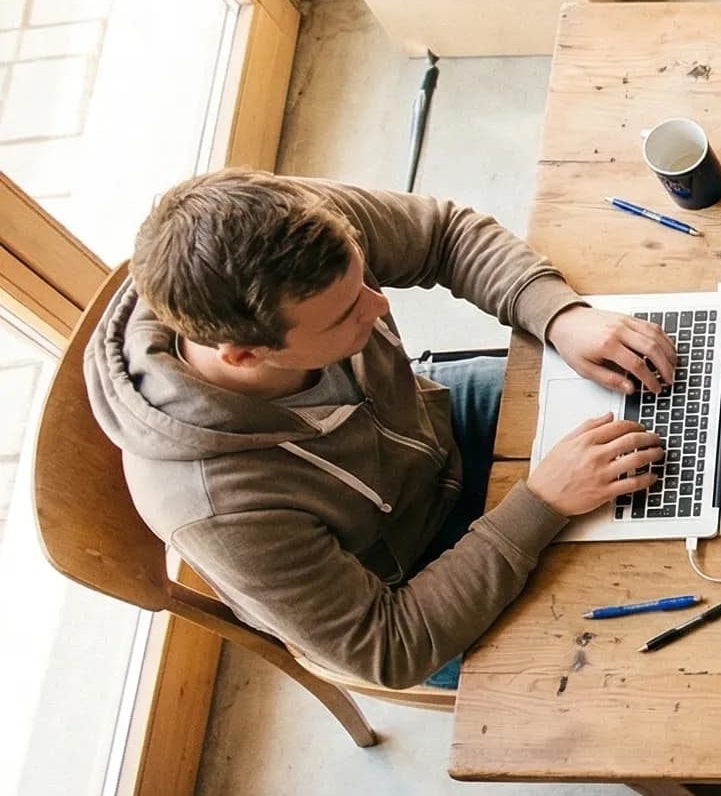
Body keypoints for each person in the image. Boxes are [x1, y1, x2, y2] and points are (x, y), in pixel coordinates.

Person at [83, 171, 674, 690]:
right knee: (632, 641)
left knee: (666, 397)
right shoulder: (219, 511)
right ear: (243, 356)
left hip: (429, 425)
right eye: (346, 315)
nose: (379, 306)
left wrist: (559, 315)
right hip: (409, 582)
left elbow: (444, 235)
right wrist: (539, 504)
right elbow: (391, 648)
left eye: (365, 281)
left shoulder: (291, 229)